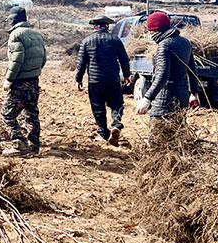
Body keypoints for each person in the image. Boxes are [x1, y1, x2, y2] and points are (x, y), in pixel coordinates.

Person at [75, 15, 131, 145]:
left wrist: (78, 79)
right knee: (116, 103)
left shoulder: (87, 41)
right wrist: (127, 75)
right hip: (112, 79)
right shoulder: (115, 40)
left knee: (98, 107)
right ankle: (116, 124)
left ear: (95, 27)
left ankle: (103, 133)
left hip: (95, 81)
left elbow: (81, 63)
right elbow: (124, 59)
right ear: (107, 27)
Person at [135, 11, 200, 119]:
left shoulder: (164, 46)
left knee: (158, 132)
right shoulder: (185, 42)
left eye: (150, 31)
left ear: (155, 30)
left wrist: (147, 99)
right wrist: (194, 93)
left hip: (164, 101)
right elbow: (192, 71)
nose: (150, 34)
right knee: (177, 132)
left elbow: (162, 75)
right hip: (182, 97)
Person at [1, 7, 47, 156]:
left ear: (12, 20)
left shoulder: (16, 35)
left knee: (7, 113)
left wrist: (9, 80)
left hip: (20, 83)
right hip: (34, 82)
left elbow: (16, 59)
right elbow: (43, 58)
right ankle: (34, 147)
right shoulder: (37, 34)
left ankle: (19, 143)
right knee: (31, 114)